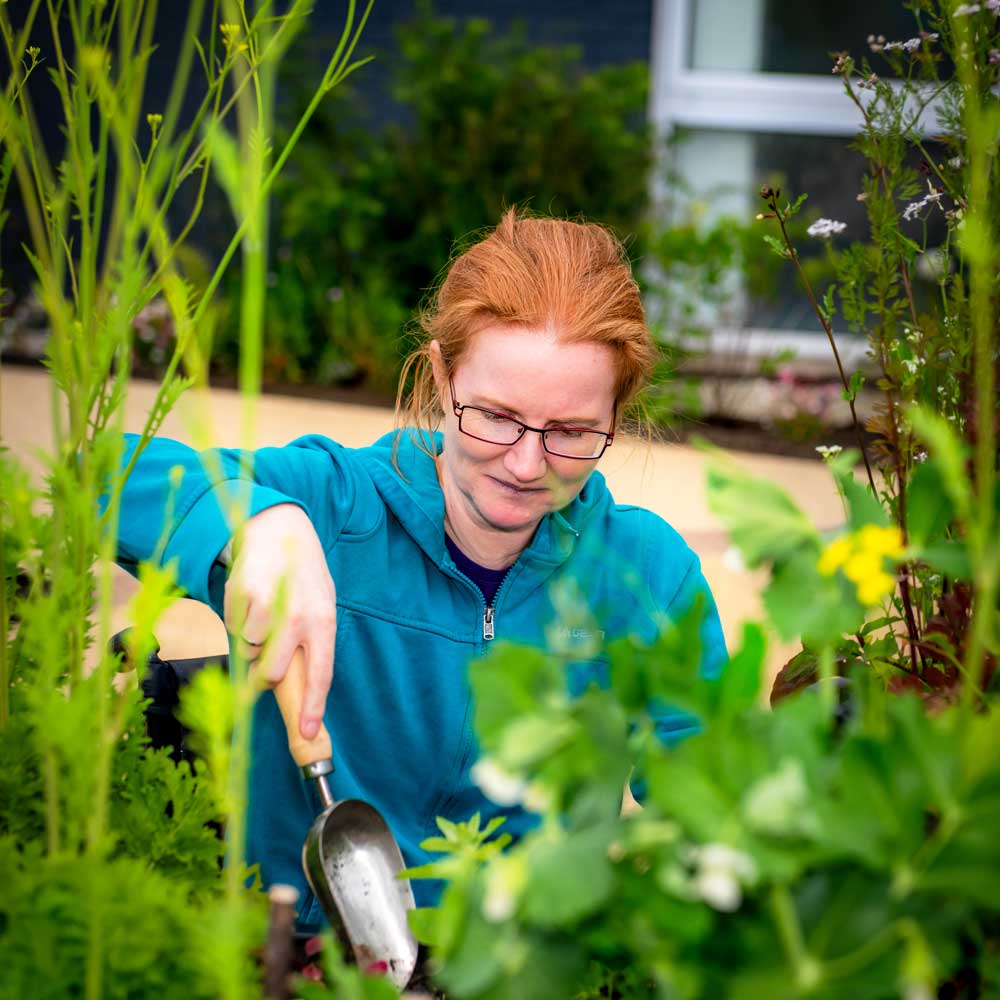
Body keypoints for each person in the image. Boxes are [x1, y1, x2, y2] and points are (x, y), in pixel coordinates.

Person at [112, 210, 727, 925]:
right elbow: (99, 473)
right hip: (275, 951)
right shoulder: (333, 503)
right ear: (442, 375)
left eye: (570, 431)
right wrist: (256, 522)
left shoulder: (648, 575)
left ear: (616, 417)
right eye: (495, 416)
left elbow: (711, 808)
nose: (527, 465)